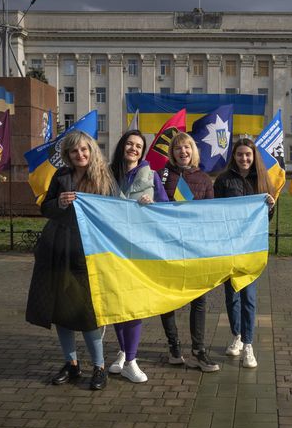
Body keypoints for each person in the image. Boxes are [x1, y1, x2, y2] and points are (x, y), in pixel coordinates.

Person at [26, 130, 117, 391]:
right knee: (60, 312)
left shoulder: (103, 178)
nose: (80, 155)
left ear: (92, 151)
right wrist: (60, 203)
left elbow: (114, 212)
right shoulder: (61, 176)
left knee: (87, 313)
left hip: (86, 253)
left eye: (85, 150)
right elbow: (46, 208)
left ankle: (99, 367)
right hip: (56, 250)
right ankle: (72, 364)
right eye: (75, 151)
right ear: (68, 154)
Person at [107, 129, 169, 383]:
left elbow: (167, 208)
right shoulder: (107, 175)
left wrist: (152, 206)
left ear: (143, 152)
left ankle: (131, 360)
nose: (133, 149)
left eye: (138, 146)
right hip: (110, 247)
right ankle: (122, 352)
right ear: (122, 146)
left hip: (139, 250)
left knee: (133, 305)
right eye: (130, 144)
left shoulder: (151, 176)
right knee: (116, 304)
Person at [158, 130, 221, 372]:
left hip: (195, 248)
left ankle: (198, 351)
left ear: (193, 151)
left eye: (186, 148)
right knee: (167, 299)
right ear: (172, 153)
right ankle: (174, 346)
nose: (182, 152)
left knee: (199, 299)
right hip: (167, 246)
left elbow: (210, 214)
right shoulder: (163, 176)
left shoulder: (204, 179)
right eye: (177, 148)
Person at [214, 137, 276, 369]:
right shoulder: (223, 180)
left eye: (248, 155)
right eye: (240, 154)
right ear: (234, 156)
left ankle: (249, 345)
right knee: (232, 296)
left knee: (248, 296)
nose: (244, 158)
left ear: (254, 156)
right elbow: (216, 212)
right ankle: (237, 335)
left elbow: (267, 218)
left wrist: (270, 207)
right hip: (230, 248)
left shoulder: (262, 179)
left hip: (251, 248)